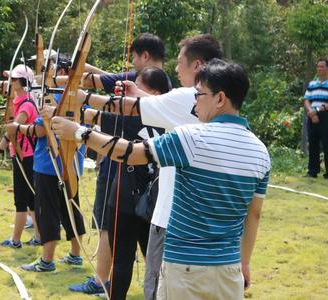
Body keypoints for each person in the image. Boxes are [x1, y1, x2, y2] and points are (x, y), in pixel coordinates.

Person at [49, 59, 270, 299]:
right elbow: (253, 214)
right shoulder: (260, 152)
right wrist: (244, 263)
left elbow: (131, 153)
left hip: (185, 268)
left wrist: (79, 132)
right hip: (229, 270)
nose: (195, 105)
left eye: (199, 95)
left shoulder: (191, 137)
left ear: (220, 99)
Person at [76, 34, 223, 299]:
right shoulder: (211, 107)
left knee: (156, 286)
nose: (176, 69)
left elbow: (131, 138)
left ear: (198, 65)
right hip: (203, 226)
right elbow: (149, 104)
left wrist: (79, 106)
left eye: (180, 62)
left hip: (170, 217)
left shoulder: (188, 97)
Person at [68, 67, 169, 299]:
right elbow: (99, 113)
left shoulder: (132, 115)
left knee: (122, 261)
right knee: (154, 263)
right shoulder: (171, 116)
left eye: (137, 87)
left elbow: (95, 115)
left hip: (127, 195)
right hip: (156, 199)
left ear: (152, 92)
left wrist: (68, 111)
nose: (132, 93)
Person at [6, 55, 86, 272]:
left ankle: (47, 261)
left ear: (61, 73)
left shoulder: (54, 97)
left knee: (47, 211)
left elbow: (41, 129)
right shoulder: (79, 97)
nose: (43, 76)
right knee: (70, 209)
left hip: (50, 165)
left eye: (48, 71)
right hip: (71, 165)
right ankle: (75, 255)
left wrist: (19, 129)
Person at [0, 64, 41, 248]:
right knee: (31, 199)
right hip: (24, 155)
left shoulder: (26, 105)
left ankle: (15, 241)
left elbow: (12, 132)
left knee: (22, 200)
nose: (11, 82)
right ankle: (39, 237)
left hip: (26, 156)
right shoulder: (22, 101)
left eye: (14, 79)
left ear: (24, 83)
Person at [303, 58, 328, 180]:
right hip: (312, 116)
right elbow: (307, 100)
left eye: (322, 67)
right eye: (318, 66)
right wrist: (311, 113)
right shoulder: (312, 84)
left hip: (326, 116)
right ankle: (312, 171)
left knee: (327, 145)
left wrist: (317, 111)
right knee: (312, 144)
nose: (319, 69)